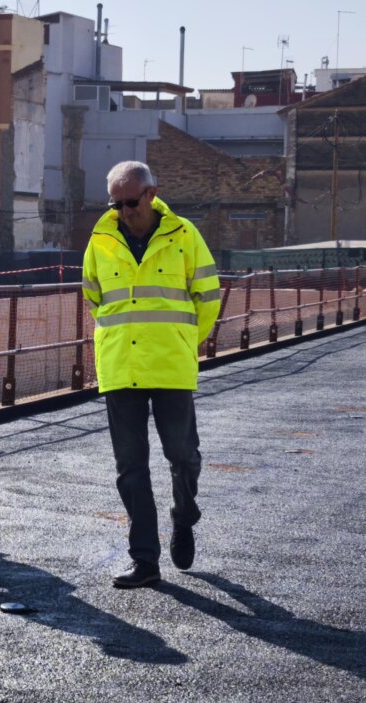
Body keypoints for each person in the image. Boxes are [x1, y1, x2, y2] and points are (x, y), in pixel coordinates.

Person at [82, 161, 221, 589]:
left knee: (182, 455)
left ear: (151, 194)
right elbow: (94, 297)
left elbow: (209, 297)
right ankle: (144, 559)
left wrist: (183, 342)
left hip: (171, 366)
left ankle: (184, 515)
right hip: (121, 368)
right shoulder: (100, 241)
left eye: (131, 201)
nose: (125, 210)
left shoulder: (184, 236)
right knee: (130, 468)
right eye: (117, 203)